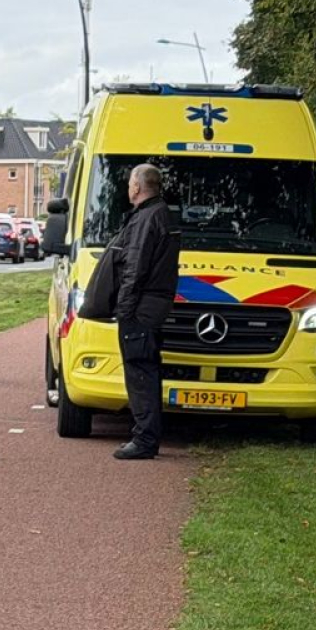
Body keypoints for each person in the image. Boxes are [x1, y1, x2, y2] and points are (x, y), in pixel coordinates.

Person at [107, 163, 181, 460]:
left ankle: (144, 440)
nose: (128, 189)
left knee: (139, 374)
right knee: (148, 370)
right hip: (157, 305)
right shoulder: (164, 215)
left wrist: (123, 310)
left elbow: (134, 269)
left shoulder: (145, 219)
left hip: (141, 308)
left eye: (130, 185)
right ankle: (147, 436)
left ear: (137, 187)